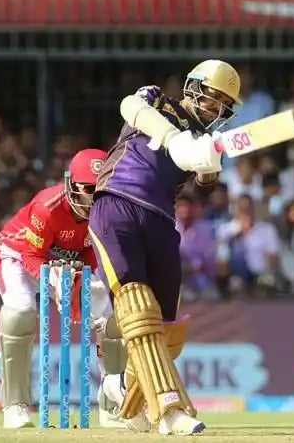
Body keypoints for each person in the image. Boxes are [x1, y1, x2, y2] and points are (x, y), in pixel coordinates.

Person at [89, 59, 240, 436]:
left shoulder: (206, 138)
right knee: (136, 307)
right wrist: (175, 139)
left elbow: (206, 175)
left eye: (223, 103)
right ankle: (171, 409)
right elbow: (130, 107)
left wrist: (209, 155)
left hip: (160, 220)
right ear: (193, 87)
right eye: (212, 97)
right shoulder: (158, 102)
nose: (214, 107)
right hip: (117, 202)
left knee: (168, 330)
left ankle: (123, 389)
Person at [0, 149, 127, 429]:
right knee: (20, 314)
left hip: (68, 263)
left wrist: (91, 278)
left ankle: (113, 405)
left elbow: (92, 253)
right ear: (70, 184)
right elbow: (31, 254)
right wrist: (52, 275)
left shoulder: (108, 210)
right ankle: (14, 405)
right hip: (19, 256)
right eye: (88, 188)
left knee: (113, 319)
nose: (93, 197)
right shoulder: (48, 208)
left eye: (100, 187)